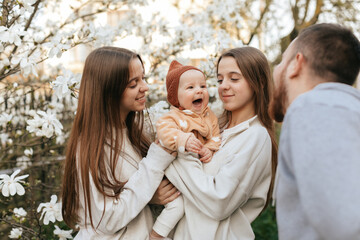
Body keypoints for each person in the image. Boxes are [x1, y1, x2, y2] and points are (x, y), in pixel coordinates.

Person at [61, 46, 178, 239]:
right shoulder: (91, 148)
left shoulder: (134, 134)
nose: (145, 87)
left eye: (143, 78)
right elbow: (106, 219)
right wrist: (148, 192)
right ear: (109, 90)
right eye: (133, 84)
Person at [165, 47, 278, 239]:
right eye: (219, 79)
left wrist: (175, 159)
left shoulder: (256, 137)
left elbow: (219, 202)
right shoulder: (214, 128)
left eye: (234, 79)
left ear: (257, 82)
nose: (224, 86)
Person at [269, 23, 360, 239]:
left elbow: (345, 224)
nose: (275, 69)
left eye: (282, 60)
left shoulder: (314, 106)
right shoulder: (344, 111)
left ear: (296, 64)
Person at [150, 60, 221, 239]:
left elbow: (215, 135)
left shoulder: (209, 115)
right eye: (190, 87)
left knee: (184, 208)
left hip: (192, 174)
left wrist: (209, 149)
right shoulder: (173, 117)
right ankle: (156, 235)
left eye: (203, 86)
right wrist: (183, 139)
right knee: (176, 206)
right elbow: (164, 131)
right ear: (176, 97)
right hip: (171, 171)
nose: (199, 90)